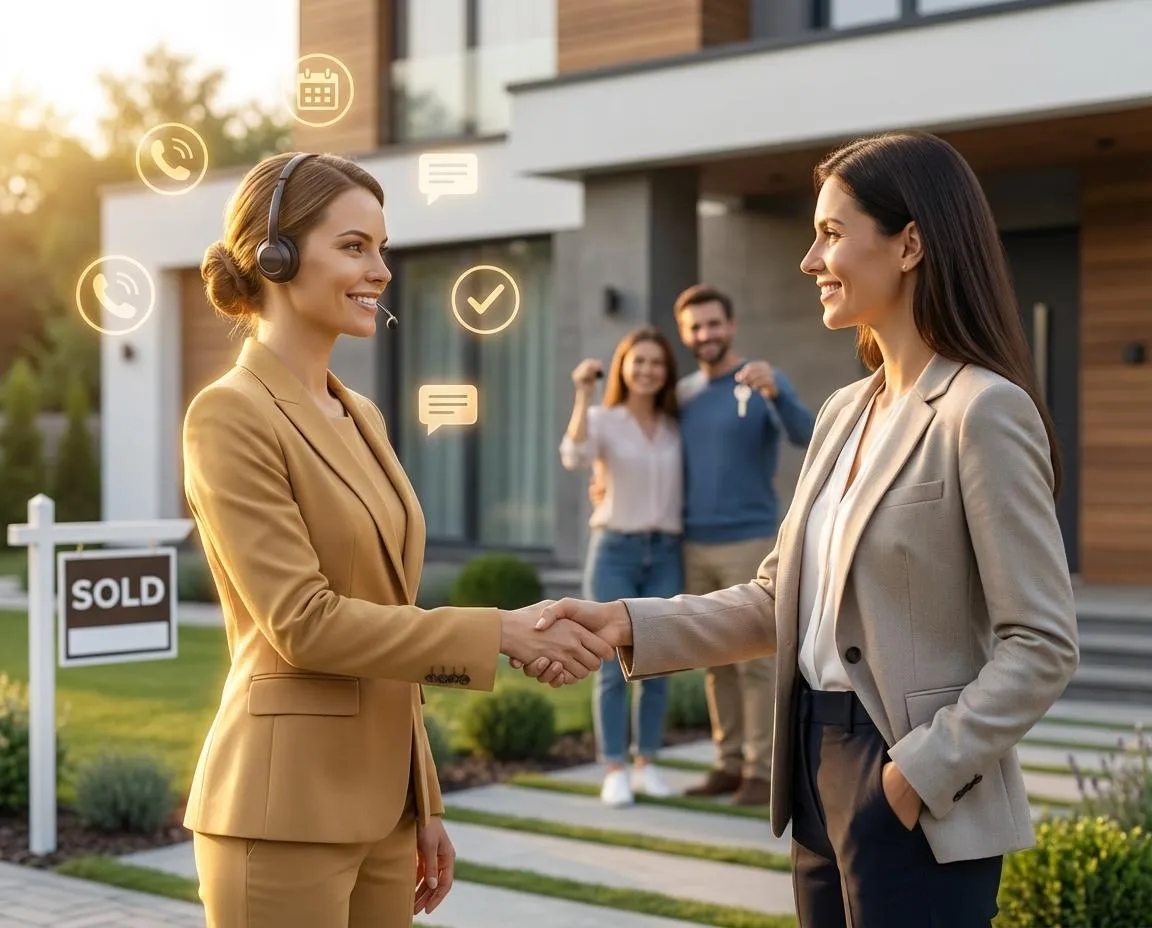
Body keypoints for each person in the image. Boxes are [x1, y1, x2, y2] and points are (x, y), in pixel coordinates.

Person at [526, 131, 1080, 926]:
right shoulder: (843, 413)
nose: (808, 261)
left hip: (911, 782)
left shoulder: (982, 412)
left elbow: (1042, 643)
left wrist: (914, 774)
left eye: (830, 234)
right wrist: (622, 621)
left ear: (911, 243)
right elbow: (773, 599)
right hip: (813, 766)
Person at [183, 151, 612, 928]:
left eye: (381, 247)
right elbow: (304, 622)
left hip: (387, 815)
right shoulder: (230, 414)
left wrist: (426, 803)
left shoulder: (364, 415)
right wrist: (501, 634)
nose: (380, 270)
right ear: (274, 255)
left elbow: (389, 611)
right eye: (354, 247)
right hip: (282, 814)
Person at [590, 285, 814, 805]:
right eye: (695, 327)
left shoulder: (761, 381)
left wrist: (777, 394)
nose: (705, 335)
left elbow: (807, 435)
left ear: (730, 327)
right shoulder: (683, 395)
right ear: (685, 333)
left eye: (714, 324)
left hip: (751, 542)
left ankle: (761, 770)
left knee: (757, 662)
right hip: (691, 543)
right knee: (715, 659)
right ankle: (728, 763)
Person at [560, 326, 683, 806]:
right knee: (611, 662)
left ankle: (647, 762)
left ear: (666, 371)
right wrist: (582, 392)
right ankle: (613, 766)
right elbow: (574, 455)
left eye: (657, 362)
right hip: (615, 548)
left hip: (666, 551)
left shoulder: (676, 424)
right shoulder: (603, 418)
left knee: (658, 662)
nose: (648, 370)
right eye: (639, 361)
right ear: (624, 367)